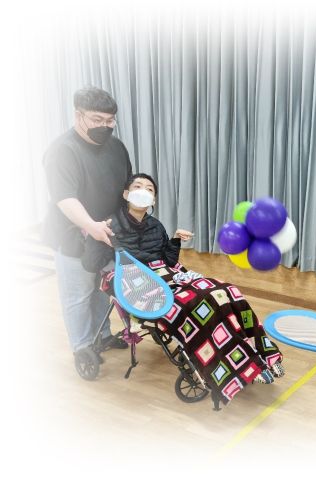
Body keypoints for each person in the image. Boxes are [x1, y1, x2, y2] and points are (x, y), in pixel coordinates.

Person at [82, 173, 285, 407]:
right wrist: (95, 236)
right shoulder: (108, 225)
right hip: (134, 281)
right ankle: (243, 366)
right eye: (137, 187)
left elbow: (168, 261)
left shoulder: (155, 226)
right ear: (126, 194)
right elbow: (91, 264)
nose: (143, 191)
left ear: (153, 200)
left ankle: (261, 354)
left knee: (226, 292)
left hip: (165, 273)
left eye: (149, 189)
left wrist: (175, 240)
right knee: (196, 304)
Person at [43, 86, 132, 355]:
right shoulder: (62, 151)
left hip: (107, 233)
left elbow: (125, 185)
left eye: (110, 120)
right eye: (97, 119)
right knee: (79, 295)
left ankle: (102, 336)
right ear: (78, 115)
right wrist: (91, 226)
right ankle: (82, 347)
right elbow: (65, 198)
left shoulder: (116, 147)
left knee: (102, 288)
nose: (105, 126)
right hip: (73, 236)